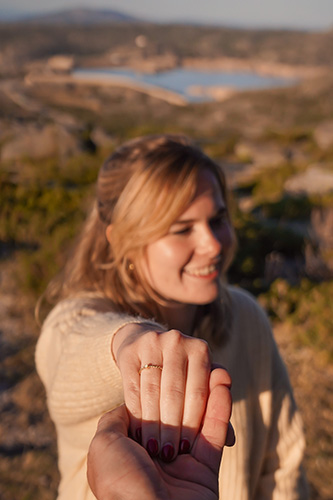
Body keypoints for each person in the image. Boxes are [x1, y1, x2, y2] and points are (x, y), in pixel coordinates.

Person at [35, 134, 308, 500]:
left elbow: (283, 464)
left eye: (218, 218)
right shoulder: (76, 320)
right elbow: (70, 352)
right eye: (182, 229)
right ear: (122, 239)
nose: (212, 244)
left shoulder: (246, 317)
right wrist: (129, 342)